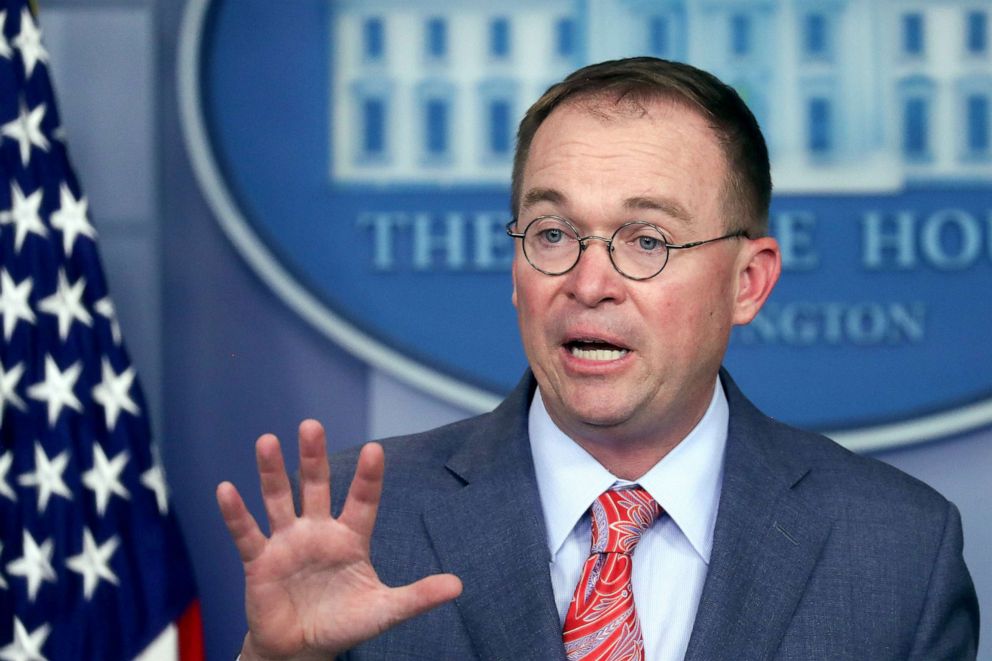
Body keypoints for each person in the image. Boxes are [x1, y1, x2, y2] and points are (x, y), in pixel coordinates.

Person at [216, 57, 979, 660]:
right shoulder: (362, 523)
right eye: (552, 234)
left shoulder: (896, 548)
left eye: (646, 240)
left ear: (749, 282)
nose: (588, 283)